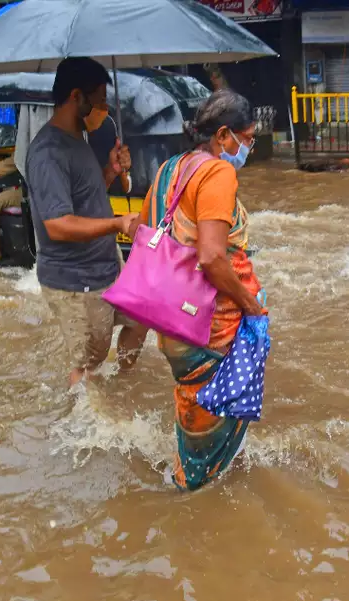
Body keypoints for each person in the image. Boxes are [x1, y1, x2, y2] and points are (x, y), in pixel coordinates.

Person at [138, 90, 265, 491]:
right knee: (213, 413)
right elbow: (211, 257)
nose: (249, 147)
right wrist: (250, 305)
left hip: (176, 320)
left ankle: (193, 477)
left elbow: (144, 231)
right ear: (223, 136)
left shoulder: (168, 170)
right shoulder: (217, 173)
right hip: (212, 323)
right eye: (248, 138)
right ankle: (193, 495)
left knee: (196, 402)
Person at [26, 57, 145, 387]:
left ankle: (122, 386)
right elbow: (57, 224)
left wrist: (111, 172)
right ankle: (83, 429)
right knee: (87, 367)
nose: (104, 109)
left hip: (106, 265)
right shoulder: (48, 153)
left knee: (142, 318)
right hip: (76, 282)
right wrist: (117, 224)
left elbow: (86, 200)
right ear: (77, 97)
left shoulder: (80, 141)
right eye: (100, 101)